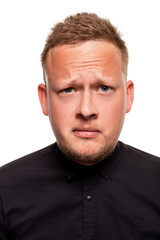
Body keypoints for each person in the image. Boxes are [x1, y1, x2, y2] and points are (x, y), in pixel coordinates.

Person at [0, 12, 160, 240]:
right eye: (68, 89)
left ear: (129, 96)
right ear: (44, 99)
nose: (86, 110)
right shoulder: (4, 191)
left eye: (103, 88)